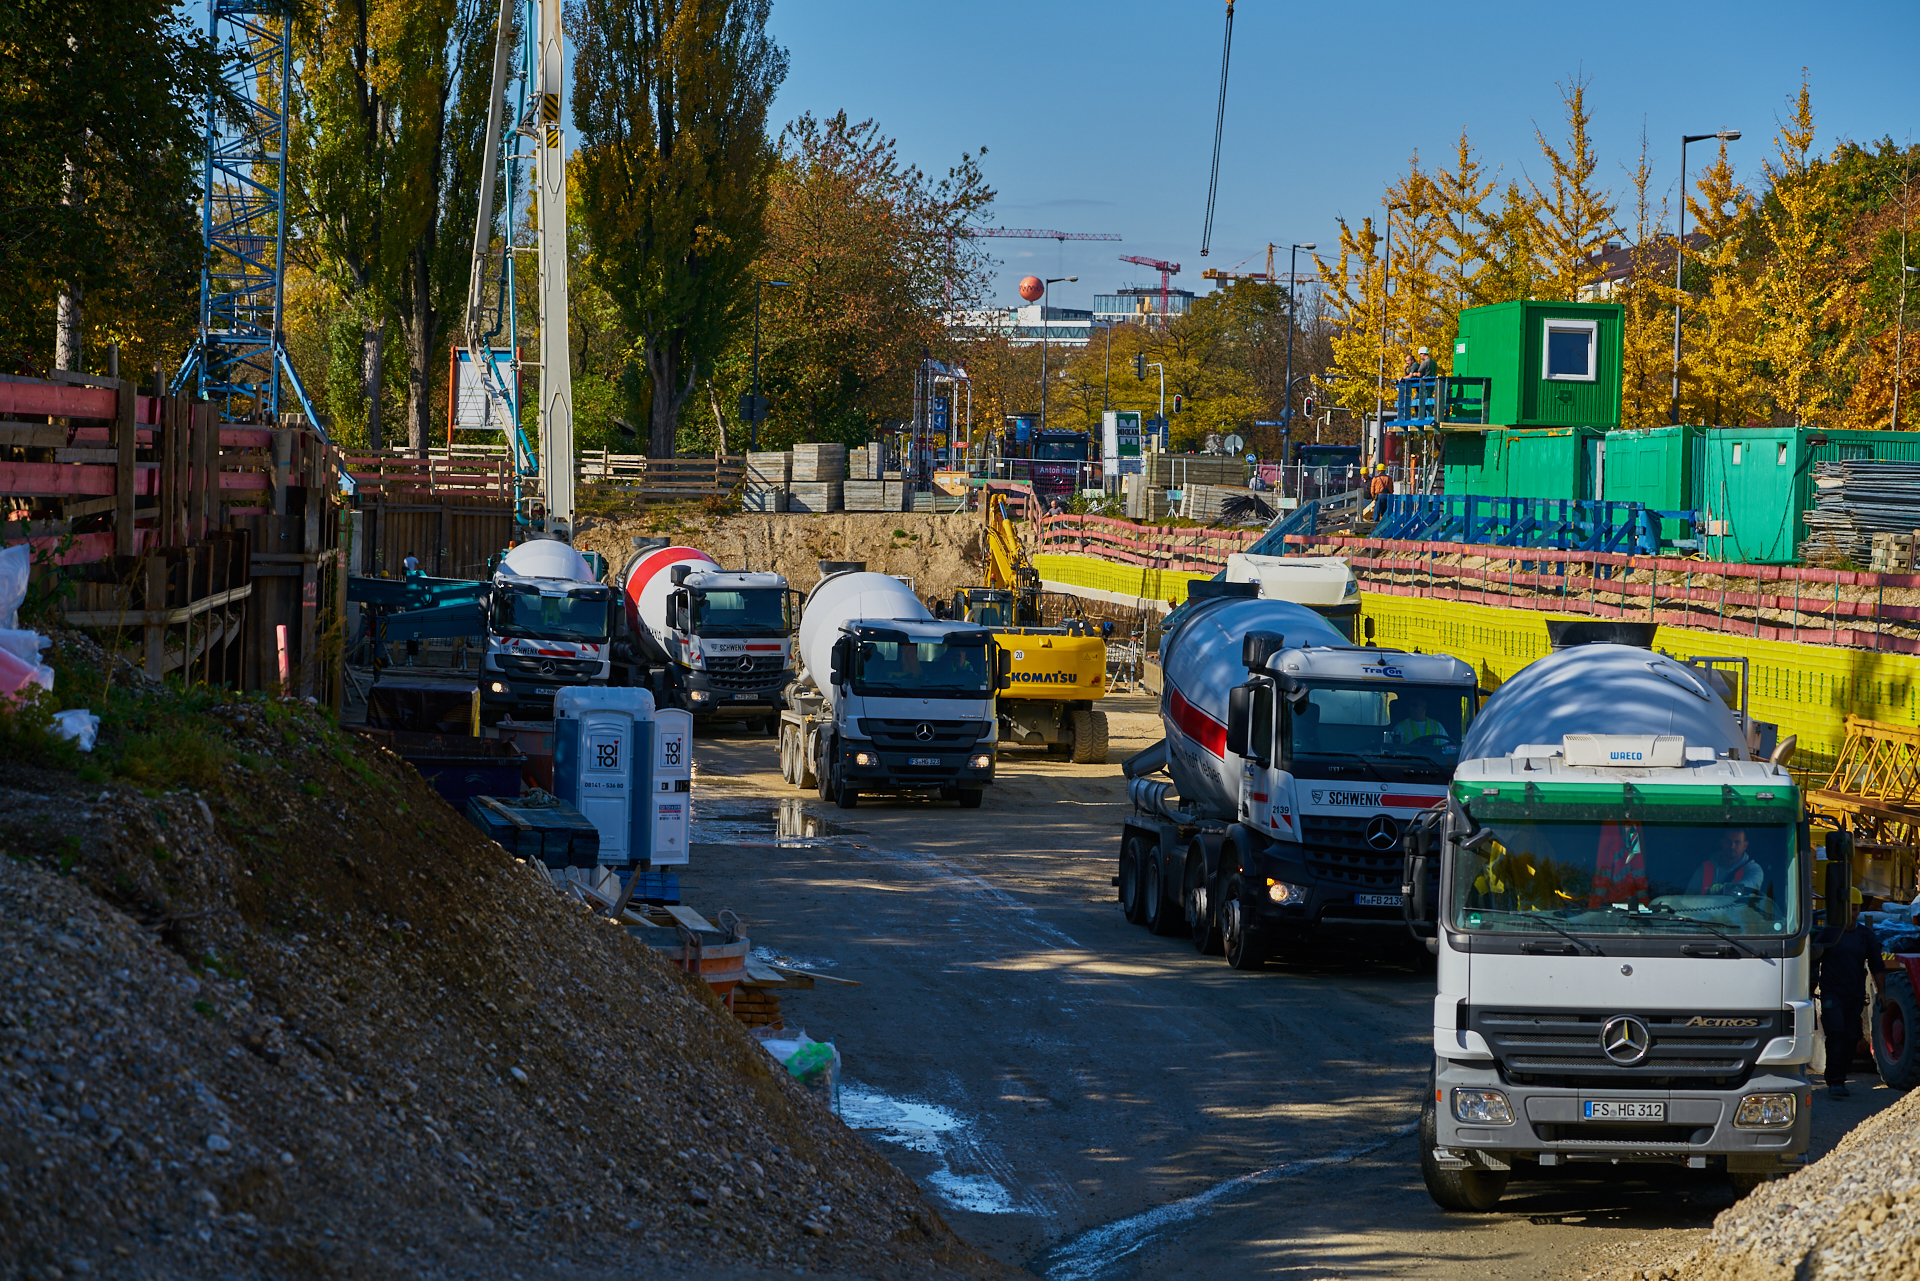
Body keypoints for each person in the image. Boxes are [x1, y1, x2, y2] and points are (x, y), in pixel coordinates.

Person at [1816, 886, 1887, 1099]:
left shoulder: (1865, 936)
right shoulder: (1828, 934)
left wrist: (1882, 991)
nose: (1853, 913)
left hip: (1854, 996)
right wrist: (1809, 991)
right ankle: (1835, 1081)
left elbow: (1877, 964)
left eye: (1856, 909)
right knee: (1836, 1033)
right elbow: (1812, 962)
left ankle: (1841, 1076)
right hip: (1832, 994)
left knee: (1852, 1036)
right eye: (1849, 909)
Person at [1690, 828, 1768, 897]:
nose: (1732, 846)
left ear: (1745, 845)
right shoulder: (1703, 870)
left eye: (1737, 842)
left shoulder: (1753, 869)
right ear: (1722, 842)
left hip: (1741, 913)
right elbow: (1687, 900)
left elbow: (1748, 887)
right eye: (1728, 841)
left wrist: (1723, 888)